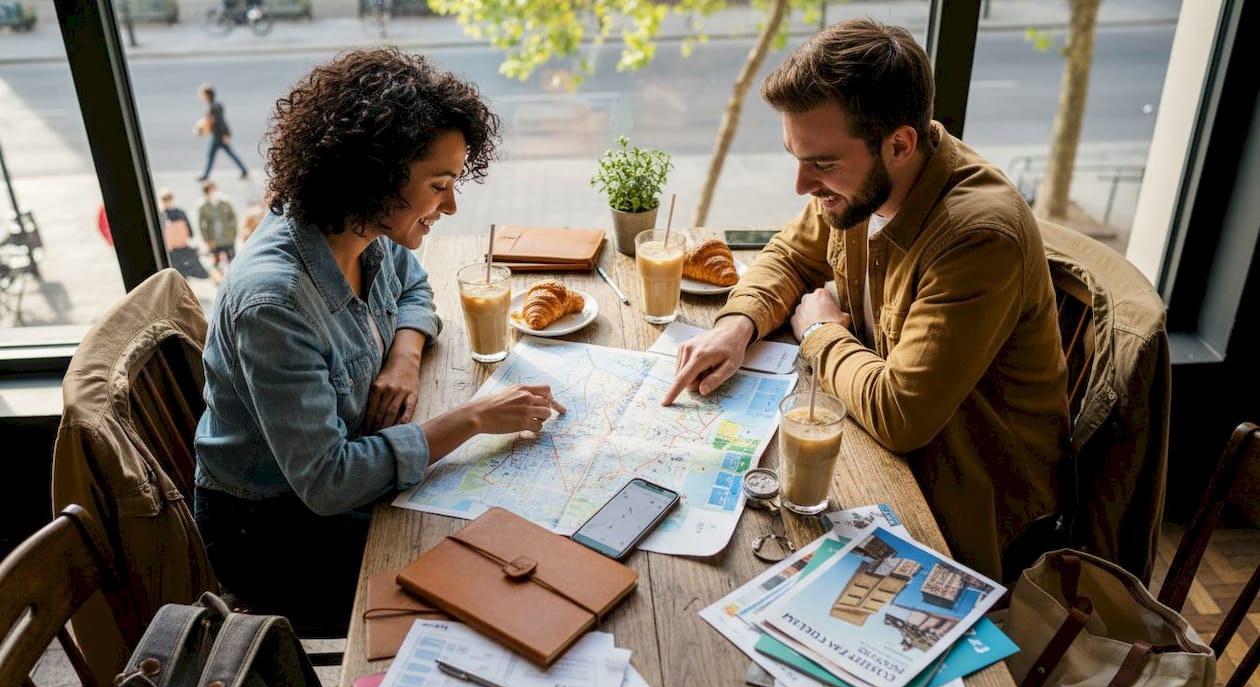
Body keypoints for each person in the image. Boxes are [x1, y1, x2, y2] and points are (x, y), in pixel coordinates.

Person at [663, 19, 1069, 581]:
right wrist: (738, 324)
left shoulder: (977, 238)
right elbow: (788, 255)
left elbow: (901, 415)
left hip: (961, 509)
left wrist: (818, 331)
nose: (802, 185)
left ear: (899, 144)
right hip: (879, 451)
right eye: (795, 157)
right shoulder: (860, 186)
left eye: (822, 164)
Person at [193, 47, 564, 631]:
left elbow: (416, 286)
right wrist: (470, 419)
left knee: (510, 537)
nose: (451, 204)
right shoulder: (276, 302)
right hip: (274, 532)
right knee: (493, 584)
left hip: (345, 471)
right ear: (374, 176)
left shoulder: (362, 227)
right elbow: (328, 480)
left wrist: (405, 356)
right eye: (439, 184)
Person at [194, 83, 249, 181]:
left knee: (215, 155)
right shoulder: (214, 105)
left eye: (202, 94)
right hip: (218, 135)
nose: (200, 96)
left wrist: (225, 135)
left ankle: (206, 175)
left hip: (219, 136)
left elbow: (220, 122)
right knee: (226, 154)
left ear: (207, 95)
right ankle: (244, 170)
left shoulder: (213, 107)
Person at [159, 188, 212, 281]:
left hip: (182, 244)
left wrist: (190, 236)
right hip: (171, 248)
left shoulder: (180, 212)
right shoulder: (162, 214)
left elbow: (188, 226)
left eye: (169, 199)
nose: (168, 201)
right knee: (177, 268)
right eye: (165, 199)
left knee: (188, 266)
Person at [197, 180, 237, 274]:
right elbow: (201, 225)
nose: (213, 193)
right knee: (217, 263)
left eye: (213, 190)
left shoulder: (225, 202)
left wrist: (234, 232)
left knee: (232, 261)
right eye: (210, 192)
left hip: (227, 237)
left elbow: (233, 218)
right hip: (214, 240)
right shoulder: (203, 207)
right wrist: (206, 240)